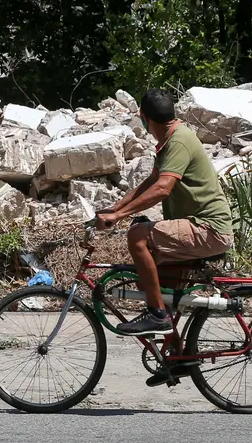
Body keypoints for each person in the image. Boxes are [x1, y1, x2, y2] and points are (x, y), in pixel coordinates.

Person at [96, 88, 234, 336]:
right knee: (158, 284)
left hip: (208, 228)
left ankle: (157, 314)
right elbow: (150, 183)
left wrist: (119, 217)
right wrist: (115, 208)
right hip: (197, 225)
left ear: (143, 117)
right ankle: (174, 357)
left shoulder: (179, 140)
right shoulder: (171, 139)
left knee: (138, 236)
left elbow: (162, 189)